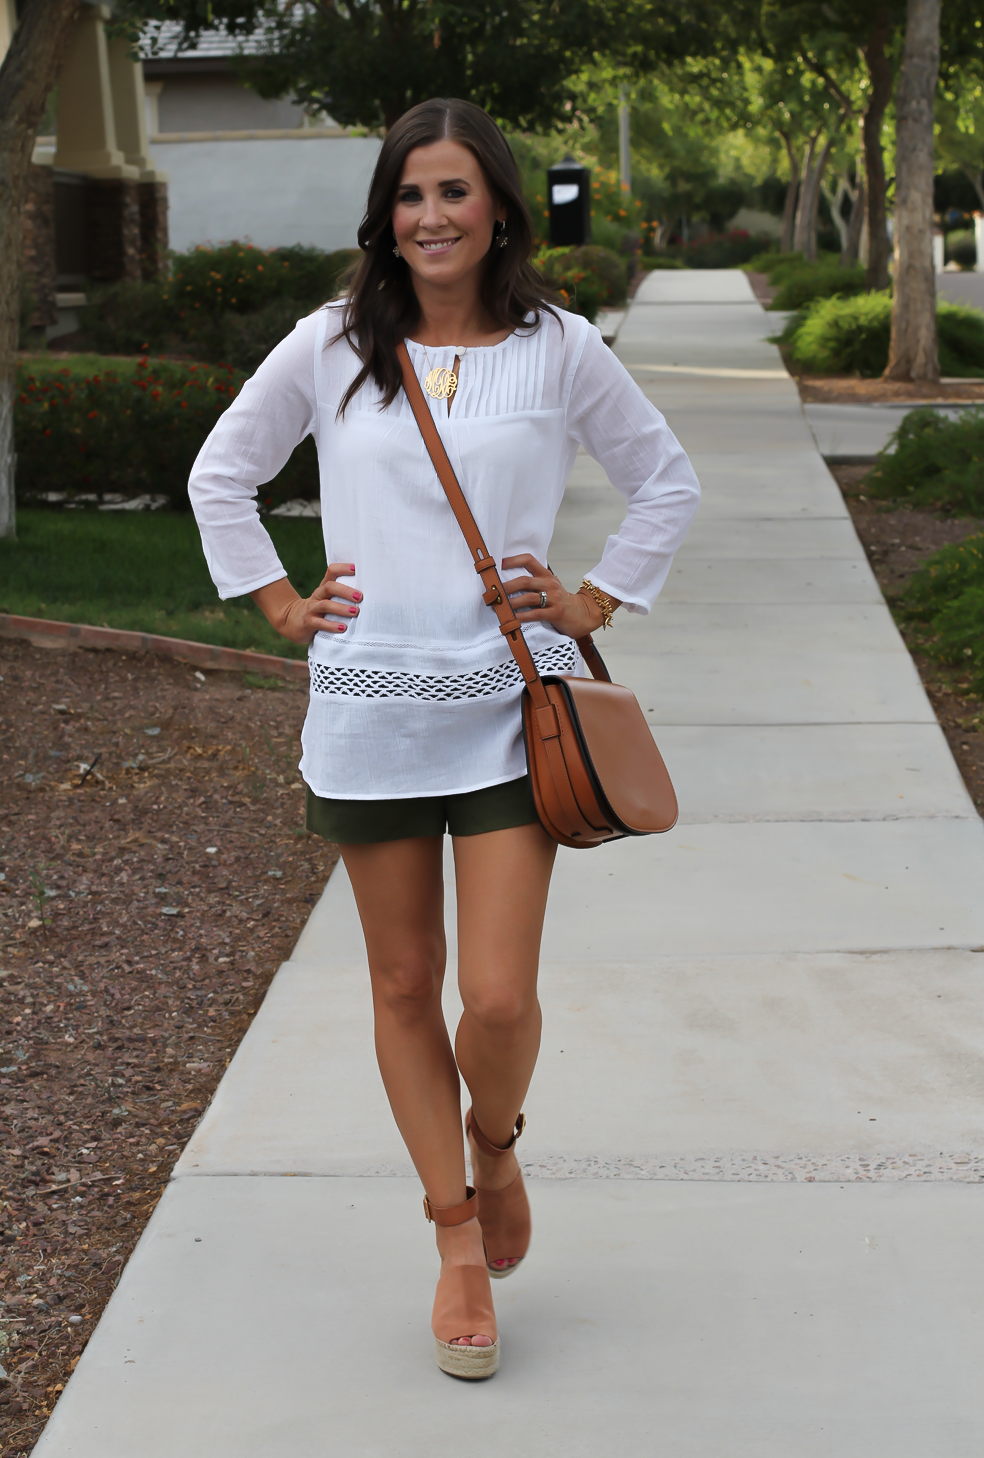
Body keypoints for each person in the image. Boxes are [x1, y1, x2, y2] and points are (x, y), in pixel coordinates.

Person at [189, 96, 699, 1381]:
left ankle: (500, 1138)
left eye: (455, 193)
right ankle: (455, 1236)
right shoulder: (329, 345)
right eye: (411, 195)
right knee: (404, 984)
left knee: (500, 996)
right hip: (370, 711)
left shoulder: (559, 346)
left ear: (499, 210)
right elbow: (222, 473)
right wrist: (279, 604)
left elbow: (666, 479)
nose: (430, 217)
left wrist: (590, 599)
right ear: (387, 214)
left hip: (510, 702)